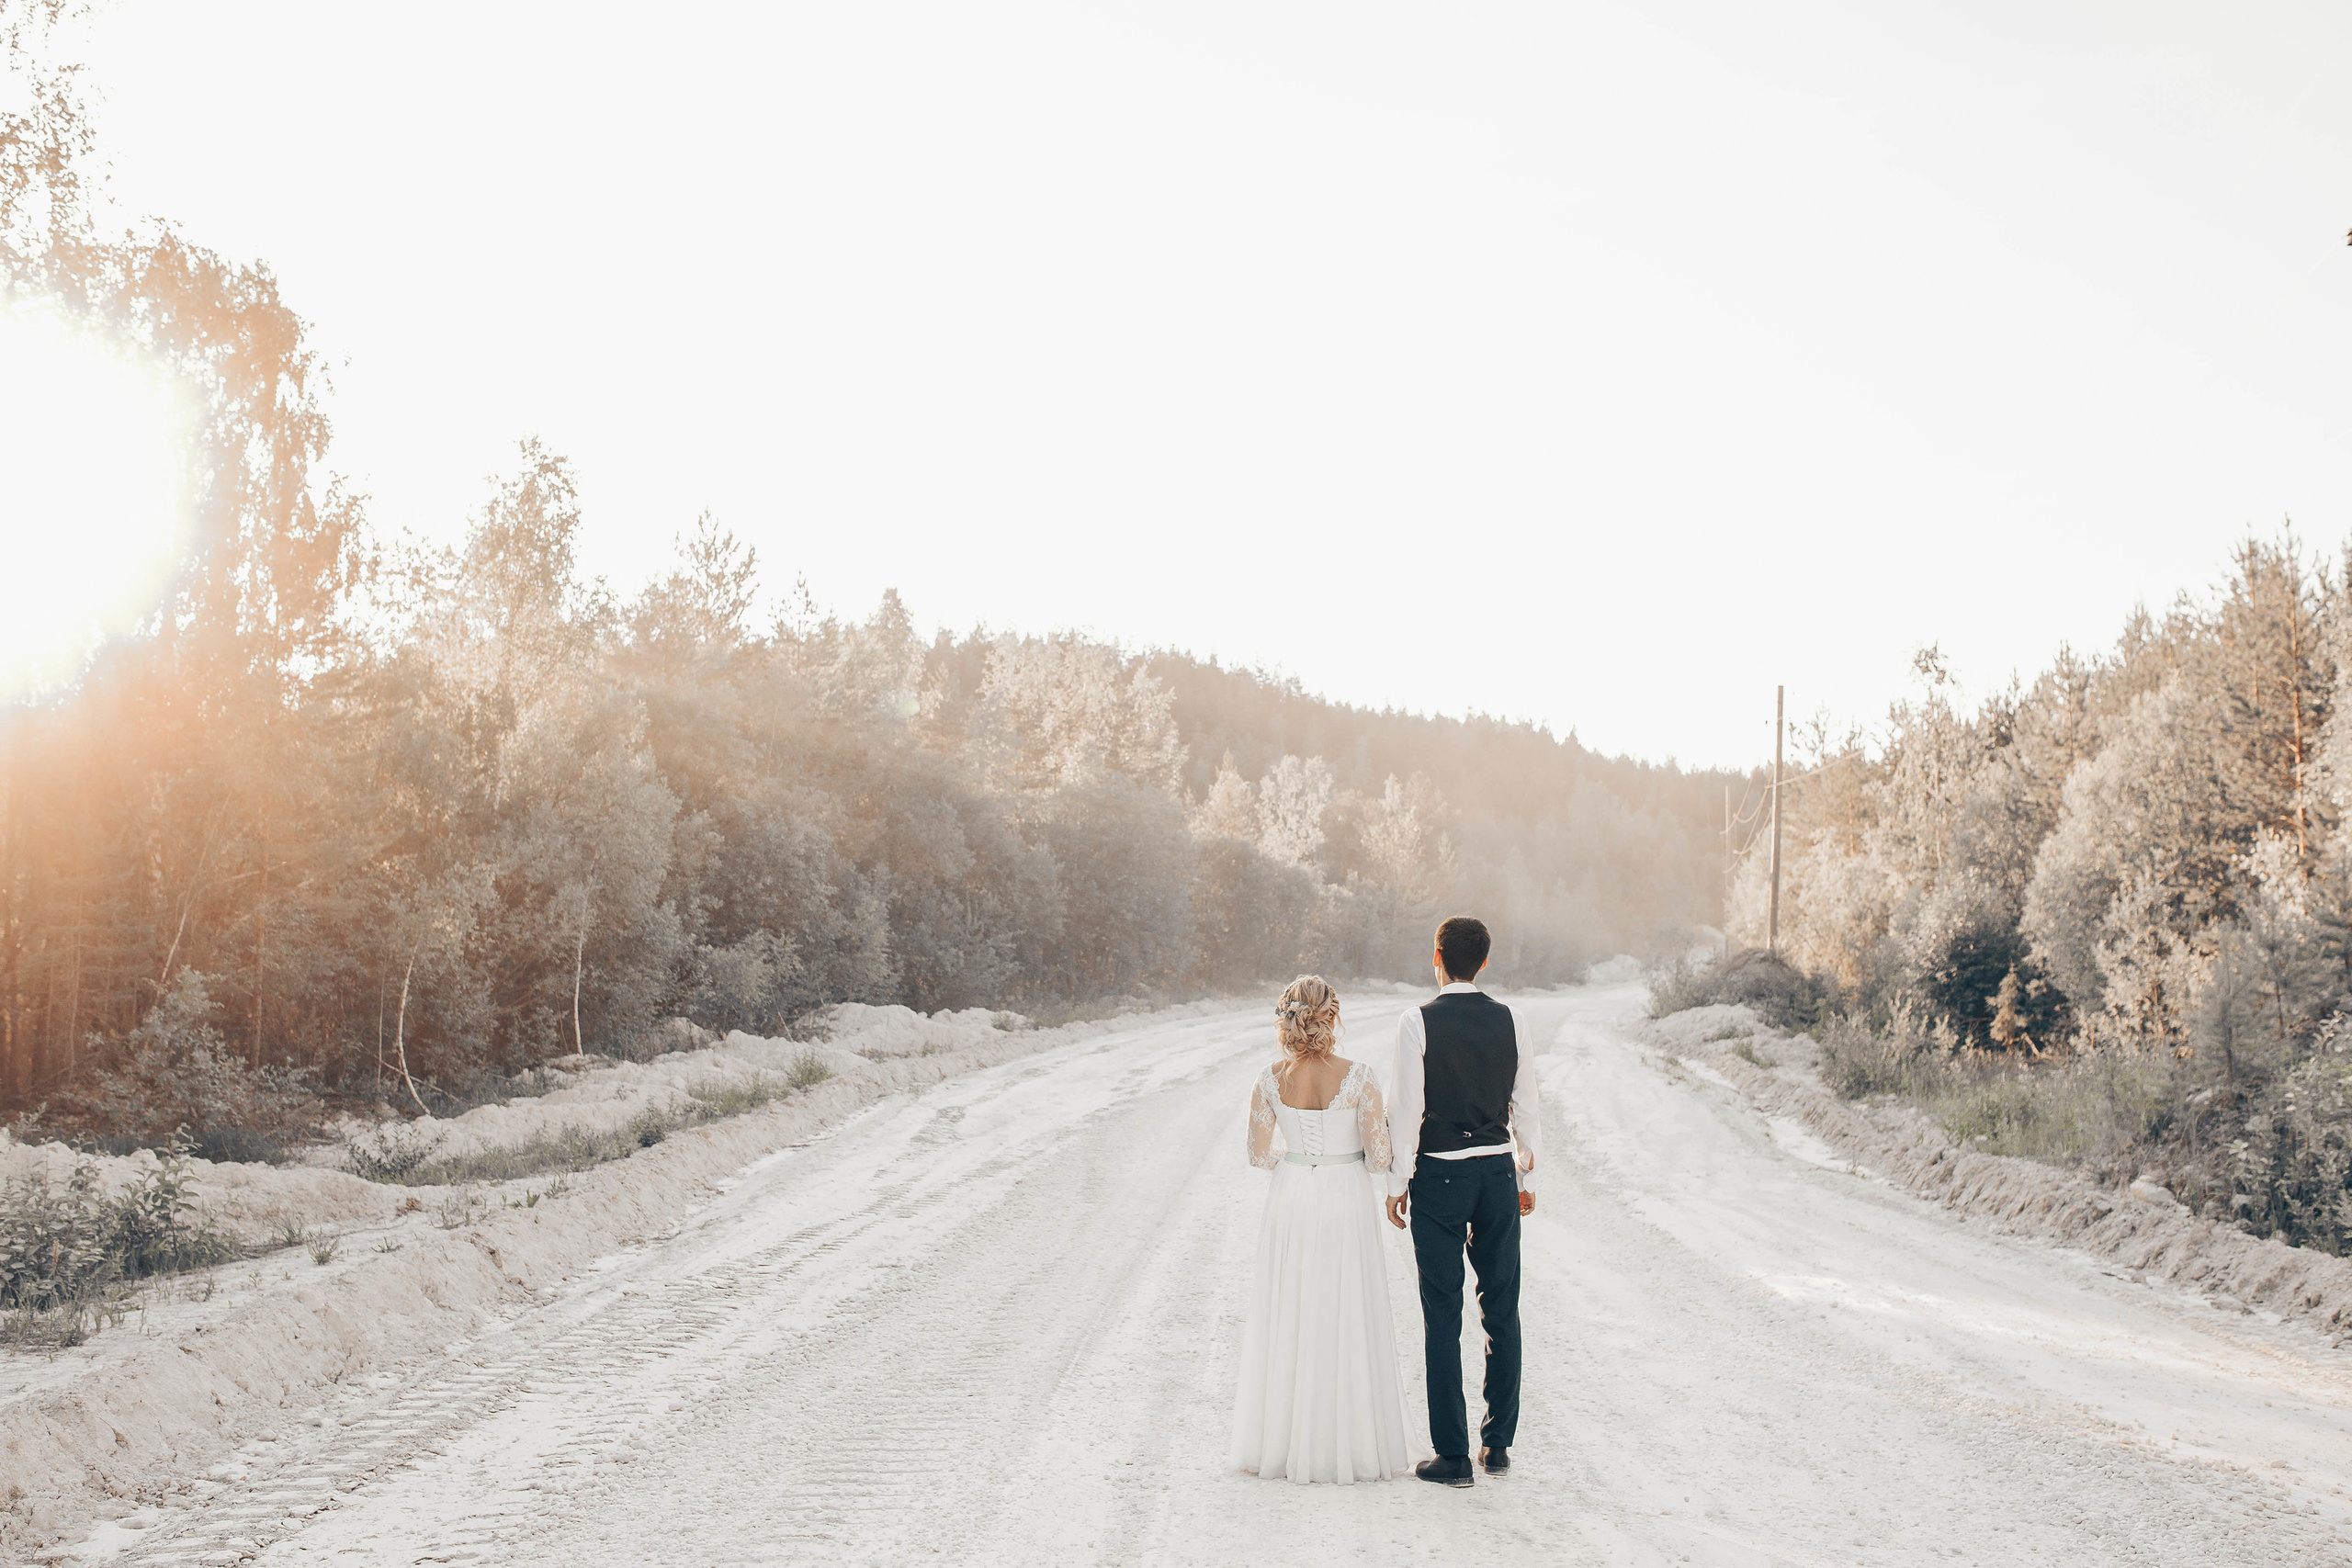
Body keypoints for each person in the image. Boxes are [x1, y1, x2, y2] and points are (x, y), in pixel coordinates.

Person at [1229, 976, 1414, 1483]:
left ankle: (1283, 1442)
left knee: (1292, 1308)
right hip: (1345, 1193)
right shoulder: (1360, 1077)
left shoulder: (1268, 1079)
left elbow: (1257, 1154)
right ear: (1332, 1017)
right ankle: (1347, 1443)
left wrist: (1295, 1161)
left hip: (1291, 1194)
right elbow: (1378, 1160)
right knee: (1344, 1306)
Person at [1385, 916, 1542, 1487]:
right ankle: (1496, 1445)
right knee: (1502, 1307)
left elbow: (1406, 1111)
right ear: (1484, 961)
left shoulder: (1416, 1022)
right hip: (1497, 1174)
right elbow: (1527, 1104)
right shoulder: (1512, 1019)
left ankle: (1452, 1457)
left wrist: (1397, 1184)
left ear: (1437, 956)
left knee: (1442, 1313)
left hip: (1440, 1176)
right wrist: (1525, 1173)